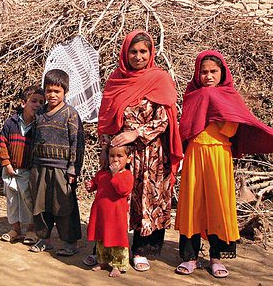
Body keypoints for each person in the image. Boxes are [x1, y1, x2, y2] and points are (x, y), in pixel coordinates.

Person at [175, 50, 273, 278]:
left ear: (222, 72)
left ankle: (216, 257)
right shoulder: (192, 95)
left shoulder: (230, 96)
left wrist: (214, 106)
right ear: (197, 74)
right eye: (204, 72)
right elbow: (186, 129)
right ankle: (190, 257)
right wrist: (205, 104)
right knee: (193, 204)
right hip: (195, 153)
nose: (208, 76)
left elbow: (231, 129)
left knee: (218, 204)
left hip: (219, 154)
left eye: (213, 71)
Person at [97, 30, 183, 271]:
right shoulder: (116, 80)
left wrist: (137, 133)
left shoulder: (160, 79)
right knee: (118, 199)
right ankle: (111, 249)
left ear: (150, 52)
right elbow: (105, 118)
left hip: (151, 153)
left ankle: (141, 250)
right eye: (133, 52)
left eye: (143, 51)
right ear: (125, 53)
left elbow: (165, 119)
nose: (138, 56)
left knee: (146, 199)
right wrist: (106, 148)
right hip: (121, 154)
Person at [29, 69, 84, 256]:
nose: (52, 95)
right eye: (49, 90)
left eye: (57, 91)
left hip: (61, 169)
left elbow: (77, 143)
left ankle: (70, 241)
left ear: (65, 92)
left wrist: (73, 169)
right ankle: (44, 238)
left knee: (64, 205)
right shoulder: (40, 114)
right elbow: (33, 138)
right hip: (40, 166)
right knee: (41, 204)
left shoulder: (71, 114)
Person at [0, 85, 45, 245]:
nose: (37, 105)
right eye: (34, 101)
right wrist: (6, 163)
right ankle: (15, 229)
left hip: (28, 171)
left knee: (28, 199)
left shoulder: (40, 126)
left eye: (41, 102)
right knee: (12, 200)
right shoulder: (11, 123)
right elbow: (2, 143)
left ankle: (31, 229)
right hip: (10, 169)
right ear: (24, 103)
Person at [85, 144, 134, 278]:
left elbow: (123, 189)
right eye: (112, 156)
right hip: (101, 214)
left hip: (116, 216)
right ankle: (103, 261)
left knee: (117, 240)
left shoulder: (127, 175)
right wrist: (91, 185)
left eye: (120, 156)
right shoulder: (103, 173)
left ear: (128, 159)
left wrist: (115, 174)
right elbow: (96, 182)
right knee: (101, 239)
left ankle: (118, 265)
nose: (115, 159)